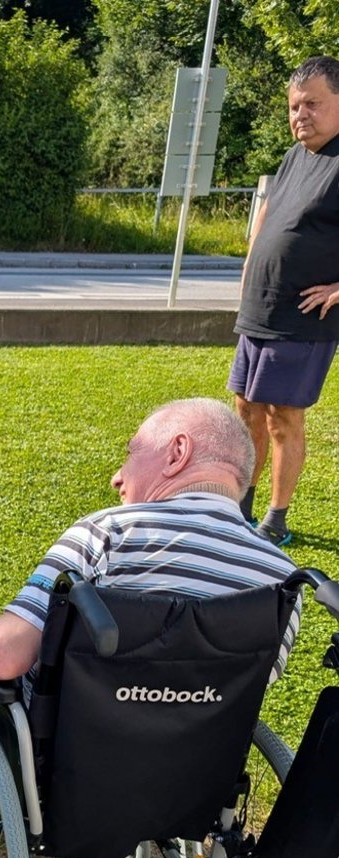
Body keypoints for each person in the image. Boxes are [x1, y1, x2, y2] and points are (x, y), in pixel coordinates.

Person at [0, 398, 300, 698]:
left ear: (177, 452)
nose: (117, 477)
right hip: (203, 765)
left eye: (132, 452)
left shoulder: (108, 533)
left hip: (71, 756)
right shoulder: (282, 579)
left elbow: (2, 653)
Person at [229, 55, 339, 548]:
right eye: (295, 106)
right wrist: (251, 264)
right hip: (262, 306)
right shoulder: (296, 155)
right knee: (246, 409)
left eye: (312, 104)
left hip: (303, 317)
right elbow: (269, 212)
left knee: (282, 417)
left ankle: (275, 520)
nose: (301, 115)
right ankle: (240, 509)